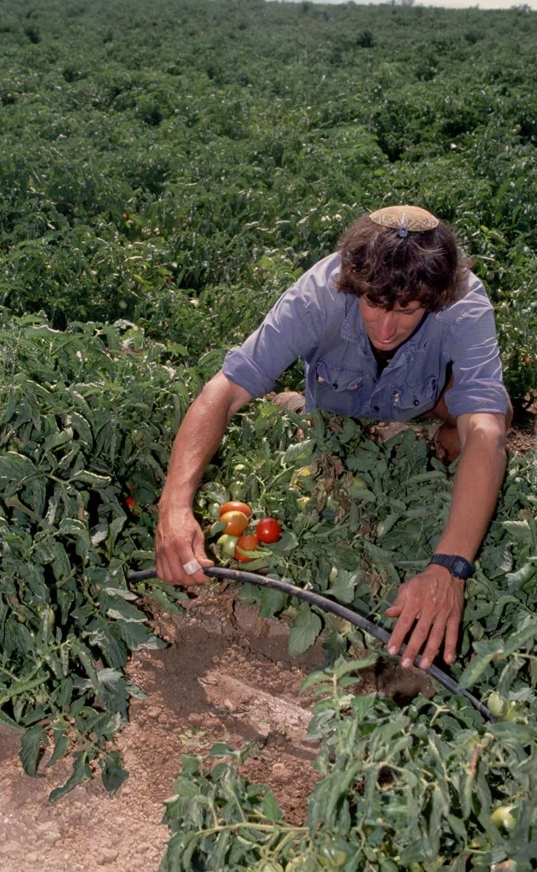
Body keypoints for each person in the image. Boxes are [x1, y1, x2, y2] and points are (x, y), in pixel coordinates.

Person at [155, 205, 513, 672]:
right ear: (351, 284)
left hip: (416, 407)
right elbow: (223, 390)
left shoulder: (462, 302)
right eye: (373, 305)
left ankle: (407, 442)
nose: (386, 329)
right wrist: (174, 506)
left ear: (435, 299)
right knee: (295, 430)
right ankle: (298, 408)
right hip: (331, 413)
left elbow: (486, 431)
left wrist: (449, 568)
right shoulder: (318, 294)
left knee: (483, 421)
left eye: (406, 311)